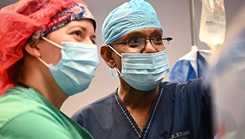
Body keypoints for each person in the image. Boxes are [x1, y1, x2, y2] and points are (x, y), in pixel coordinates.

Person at [71, 0, 213, 139]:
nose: (151, 49)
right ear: (109, 57)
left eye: (157, 38)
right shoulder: (86, 124)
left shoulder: (195, 98)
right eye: (133, 41)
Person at [0, 0, 99, 138]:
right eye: (77, 33)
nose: (90, 47)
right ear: (34, 45)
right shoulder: (24, 117)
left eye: (93, 40)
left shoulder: (45, 114)